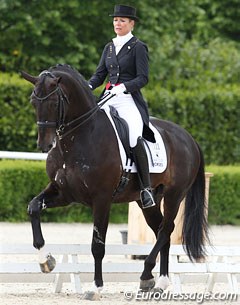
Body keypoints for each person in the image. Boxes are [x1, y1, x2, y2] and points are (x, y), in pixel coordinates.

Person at [88, 4, 156, 208]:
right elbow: (100, 74)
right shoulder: (109, 47)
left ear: (131, 24)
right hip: (108, 96)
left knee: (134, 135)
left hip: (128, 99)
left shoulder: (138, 47)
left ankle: (145, 189)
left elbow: (143, 78)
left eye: (122, 20)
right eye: (116, 20)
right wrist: (88, 85)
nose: (118, 23)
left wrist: (124, 87)